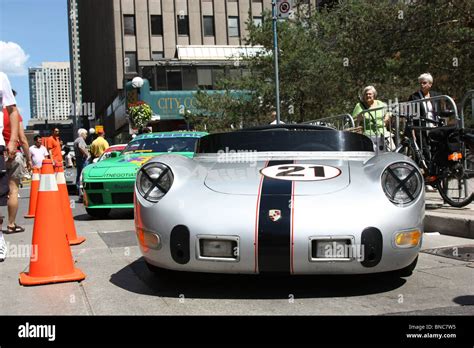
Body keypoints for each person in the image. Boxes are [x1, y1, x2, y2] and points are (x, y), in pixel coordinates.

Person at [0, 72, 21, 261]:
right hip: (7, 149)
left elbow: (12, 110)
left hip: (1, 146)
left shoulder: (1, 77)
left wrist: (13, 141)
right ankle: (8, 226)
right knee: (11, 190)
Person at [3, 100, 31, 234]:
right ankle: (11, 224)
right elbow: (23, 139)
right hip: (14, 154)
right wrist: (29, 159)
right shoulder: (14, 113)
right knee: (13, 190)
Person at [352, 85, 391, 151]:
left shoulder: (380, 103)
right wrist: (358, 118)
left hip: (382, 134)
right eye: (366, 94)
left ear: (374, 95)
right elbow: (352, 120)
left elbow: (388, 112)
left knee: (387, 153)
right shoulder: (359, 105)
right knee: (373, 155)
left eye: (370, 94)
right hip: (368, 135)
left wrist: (387, 116)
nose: (368, 96)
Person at [74, 128, 89, 202]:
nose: (86, 135)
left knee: (79, 175)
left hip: (78, 159)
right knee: (83, 176)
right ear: (82, 134)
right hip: (82, 159)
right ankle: (82, 194)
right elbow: (80, 147)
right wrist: (86, 154)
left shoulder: (76, 140)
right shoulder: (80, 140)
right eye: (86, 134)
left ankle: (79, 192)